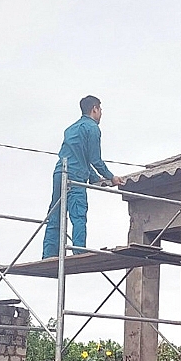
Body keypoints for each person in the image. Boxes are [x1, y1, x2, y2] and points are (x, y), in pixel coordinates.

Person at [41, 95, 123, 259]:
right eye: (100, 109)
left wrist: (95, 178)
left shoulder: (71, 128)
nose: (101, 114)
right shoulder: (92, 128)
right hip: (75, 176)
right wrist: (111, 177)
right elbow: (94, 159)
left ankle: (49, 253)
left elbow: (80, 157)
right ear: (95, 108)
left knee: (55, 213)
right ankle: (78, 251)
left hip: (60, 171)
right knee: (78, 213)